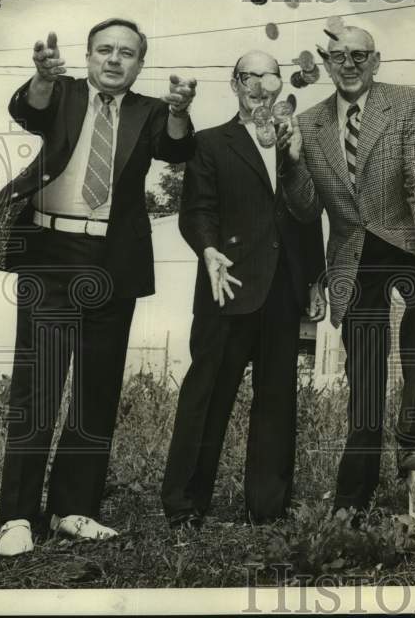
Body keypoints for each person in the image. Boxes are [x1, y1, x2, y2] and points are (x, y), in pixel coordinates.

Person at [0, 20, 196, 556]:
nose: (114, 59)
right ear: (86, 56)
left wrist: (178, 111)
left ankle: (72, 509)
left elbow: (175, 152)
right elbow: (27, 110)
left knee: (96, 388)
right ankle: (15, 517)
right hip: (51, 254)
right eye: (104, 49)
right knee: (37, 389)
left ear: (140, 64)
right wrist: (40, 76)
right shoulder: (59, 93)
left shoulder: (151, 111)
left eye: (126, 53)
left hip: (112, 260)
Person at [284, 24, 415, 517]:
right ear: (326, 62)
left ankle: (414, 440)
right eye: (339, 56)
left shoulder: (406, 103)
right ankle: (352, 494)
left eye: (360, 55)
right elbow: (304, 209)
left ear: (376, 61)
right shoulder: (312, 124)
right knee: (364, 374)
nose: (350, 64)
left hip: (405, 245)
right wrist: (293, 162)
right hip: (353, 259)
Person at [161, 50, 326, 529]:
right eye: (248, 77)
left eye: (268, 76)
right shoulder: (211, 143)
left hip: (283, 289)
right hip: (226, 282)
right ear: (234, 85)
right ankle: (185, 504)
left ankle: (267, 507)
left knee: (277, 398)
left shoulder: (300, 143)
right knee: (208, 393)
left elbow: (306, 217)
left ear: (281, 84)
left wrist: (313, 278)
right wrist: (208, 250)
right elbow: (196, 210)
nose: (258, 85)